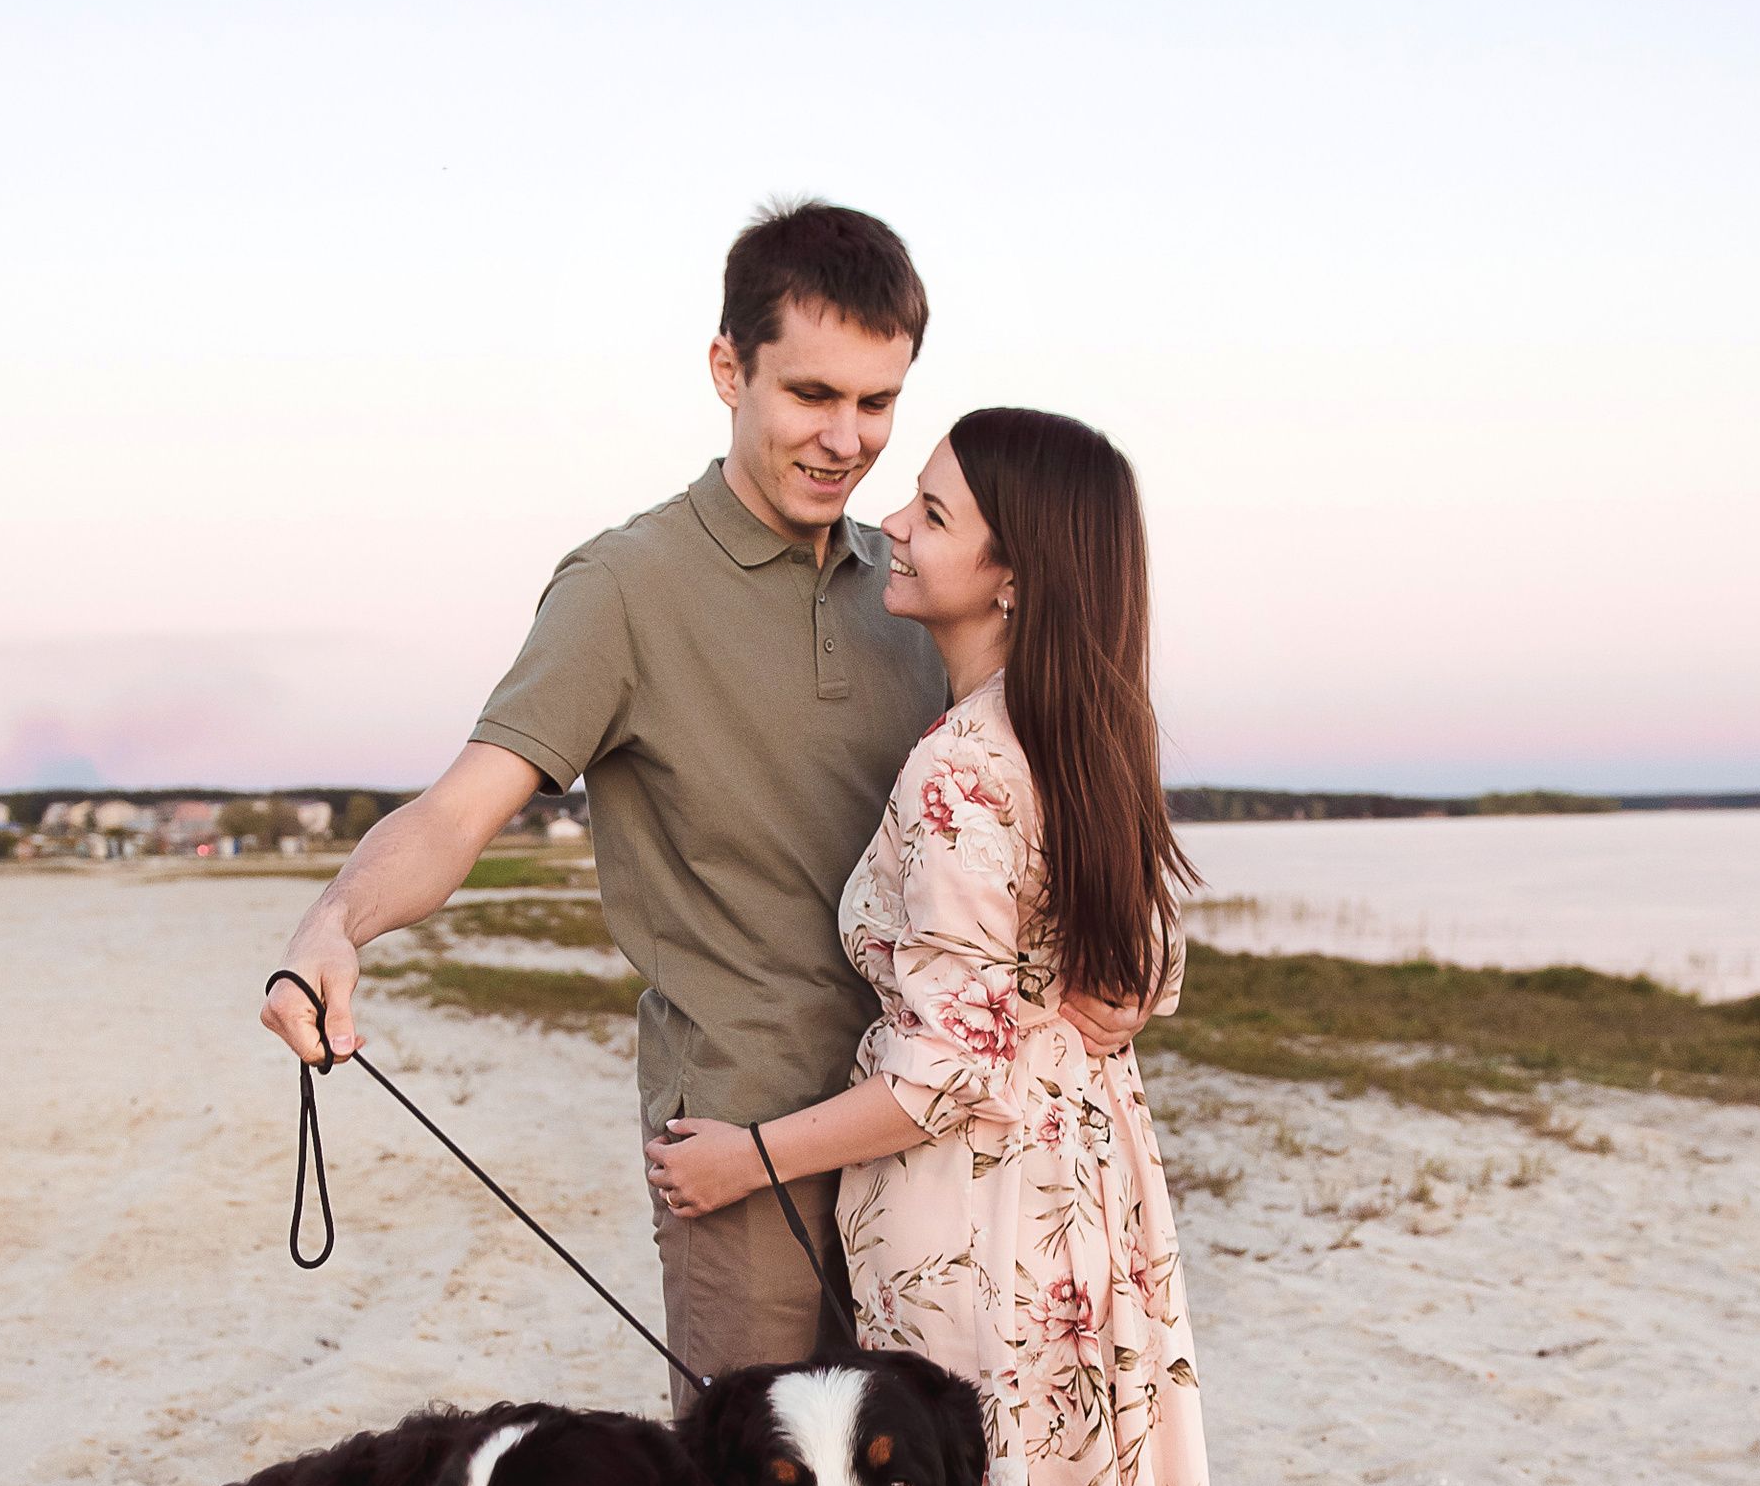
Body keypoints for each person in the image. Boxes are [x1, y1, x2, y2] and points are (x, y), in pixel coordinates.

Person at [644, 408, 1339, 1486]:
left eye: (935, 507)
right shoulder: (1087, 732)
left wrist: (746, 1153)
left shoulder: (963, 769)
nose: (896, 515)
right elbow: (1134, 980)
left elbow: (941, 1077)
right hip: (1090, 1201)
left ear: (1011, 573)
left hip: (984, 1216)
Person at [263, 197, 1134, 1388]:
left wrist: (1117, 969)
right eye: (811, 395)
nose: (846, 438)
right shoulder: (623, 587)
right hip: (734, 1146)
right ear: (729, 369)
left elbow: (1038, 808)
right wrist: (333, 924)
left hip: (935, 1144)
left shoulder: (919, 586)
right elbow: (462, 810)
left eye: (876, 402)